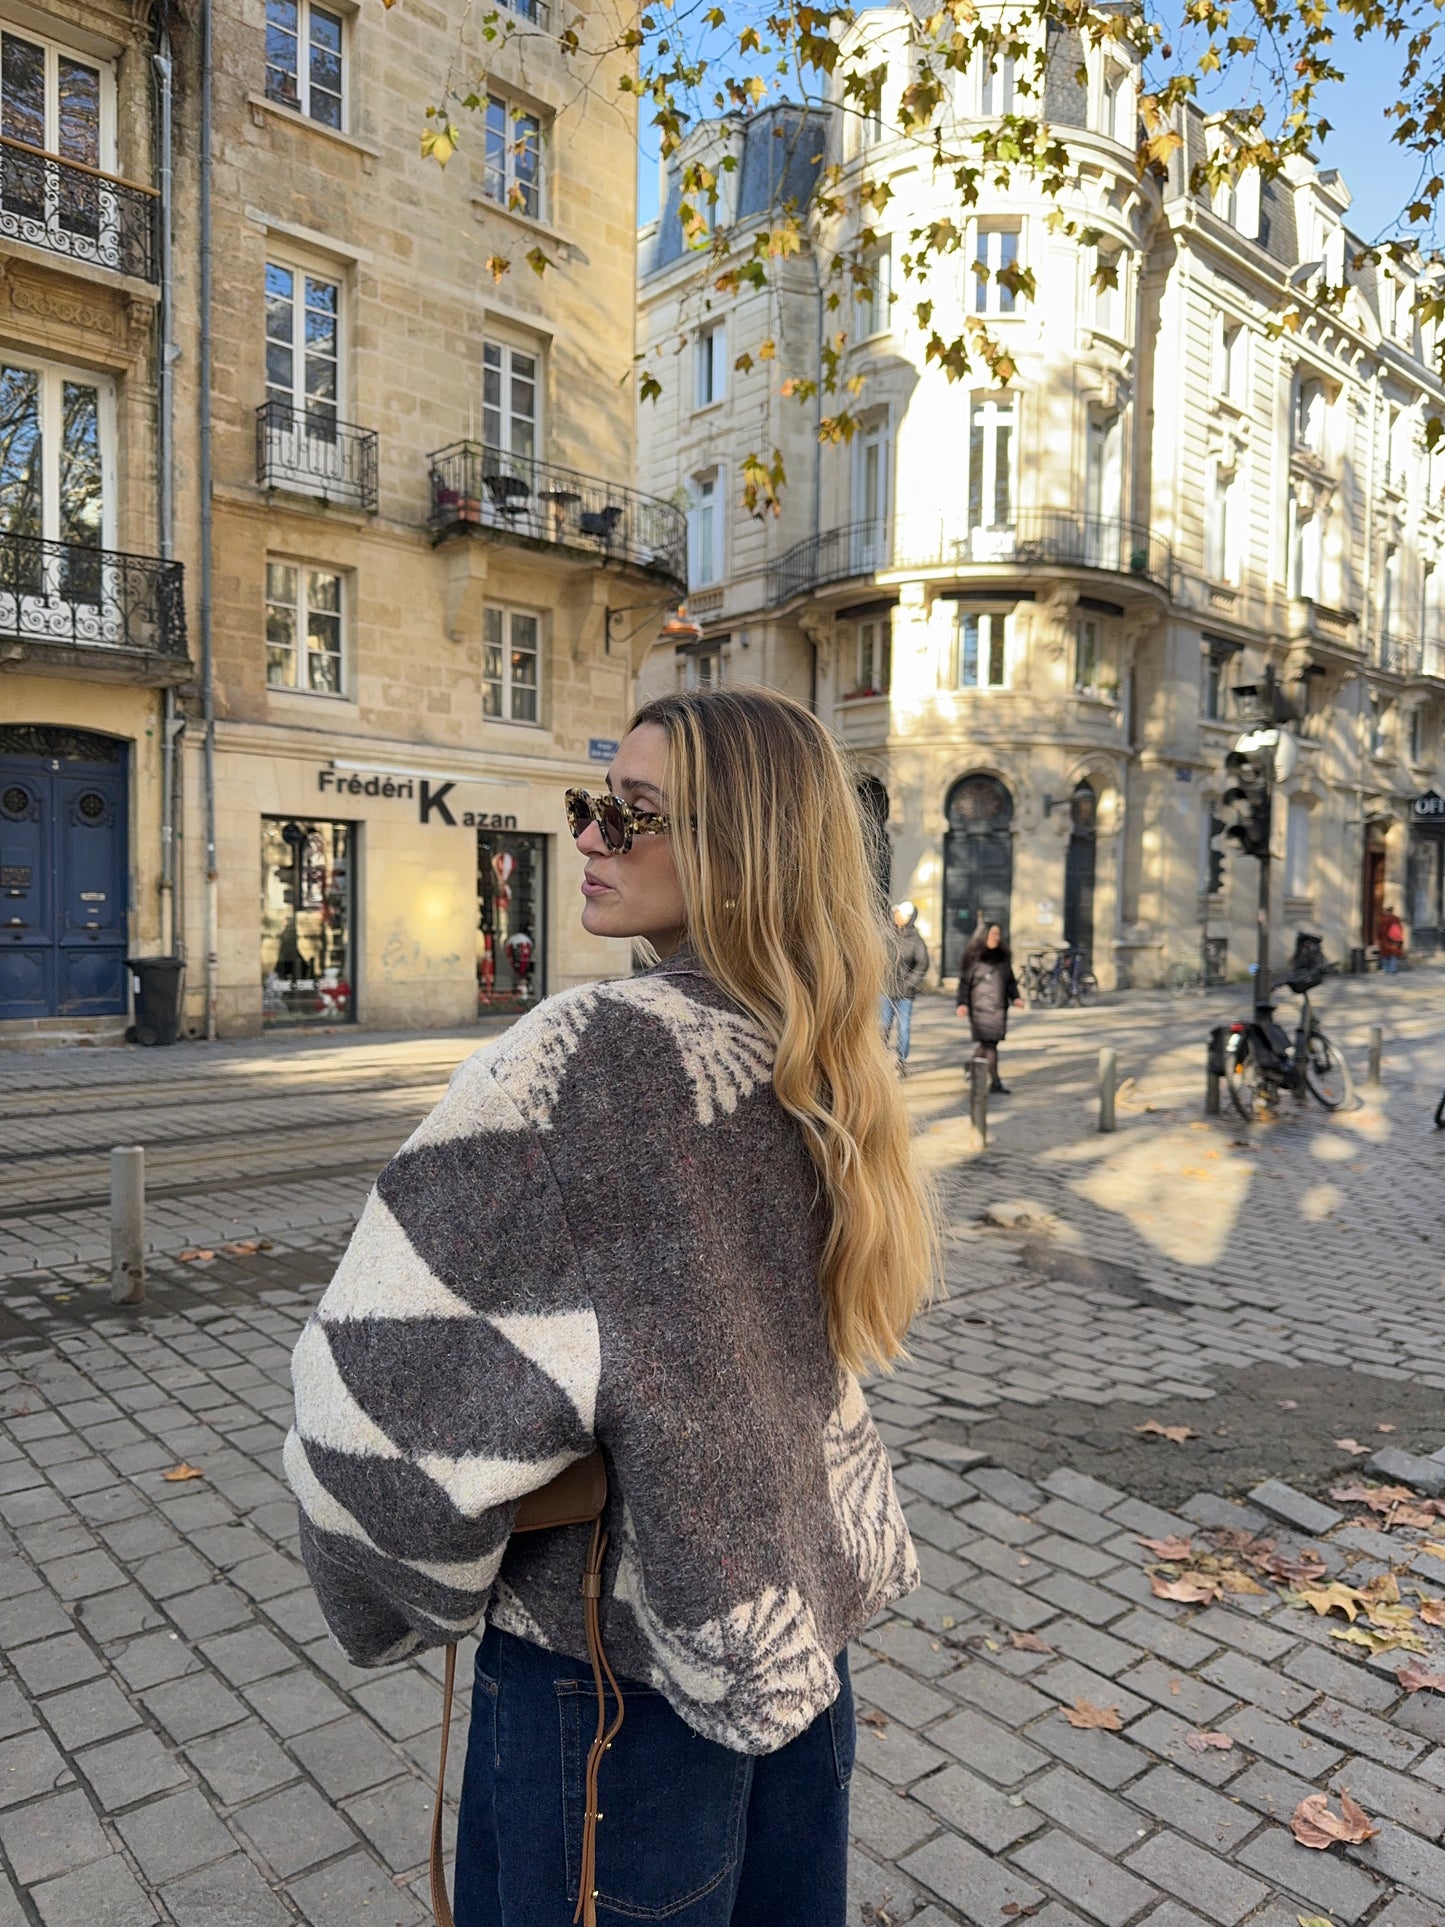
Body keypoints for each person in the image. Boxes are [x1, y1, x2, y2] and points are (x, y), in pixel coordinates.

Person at [285, 687, 936, 1927]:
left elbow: (366, 1432)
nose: (585, 837)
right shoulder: (814, 1046)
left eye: (632, 816)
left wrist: (430, 1568)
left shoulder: (588, 1052)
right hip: (798, 1659)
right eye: (591, 806)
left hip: (609, 1692)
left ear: (742, 850)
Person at [956, 921, 1023, 1093]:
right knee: (990, 1045)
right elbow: (964, 983)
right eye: (992, 934)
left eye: (998, 934)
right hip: (980, 1008)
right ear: (984, 935)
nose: (995, 938)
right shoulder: (974, 957)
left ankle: (972, 1068)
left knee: (987, 1044)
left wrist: (1016, 997)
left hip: (999, 1008)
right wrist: (962, 1003)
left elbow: (1010, 981)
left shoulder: (1002, 958)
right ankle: (995, 1081)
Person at [882, 900, 930, 1070]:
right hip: (886, 990)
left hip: (905, 993)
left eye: (900, 914)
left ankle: (901, 1062)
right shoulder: (886, 934)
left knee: (903, 1029)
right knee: (884, 1025)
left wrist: (909, 983)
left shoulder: (916, 939)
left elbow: (922, 964)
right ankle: (879, 1060)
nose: (897, 917)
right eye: (896, 914)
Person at [1378, 905, 1405, 973]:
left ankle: (1386, 969)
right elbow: (1400, 928)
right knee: (1394, 954)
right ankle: (1393, 969)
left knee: (1385, 955)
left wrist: (1378, 937)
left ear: (1386, 911)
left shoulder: (1383, 919)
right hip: (1394, 940)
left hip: (1385, 939)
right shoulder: (1396, 918)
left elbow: (1381, 930)